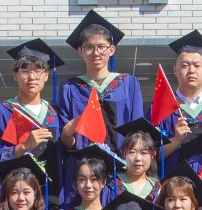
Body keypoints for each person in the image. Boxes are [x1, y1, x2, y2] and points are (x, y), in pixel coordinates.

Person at [58, 12, 145, 143]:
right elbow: (65, 140)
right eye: (89, 47)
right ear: (80, 51)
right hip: (85, 156)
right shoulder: (70, 88)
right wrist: (68, 133)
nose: (96, 52)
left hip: (122, 155)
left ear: (111, 49)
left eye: (101, 46)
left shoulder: (128, 84)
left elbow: (138, 130)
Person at [0, 39, 64, 170]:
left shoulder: (55, 113)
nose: (32, 77)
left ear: (46, 75)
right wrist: (23, 146)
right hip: (17, 182)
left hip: (52, 183)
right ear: (15, 75)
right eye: (25, 71)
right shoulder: (2, 112)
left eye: (38, 70)